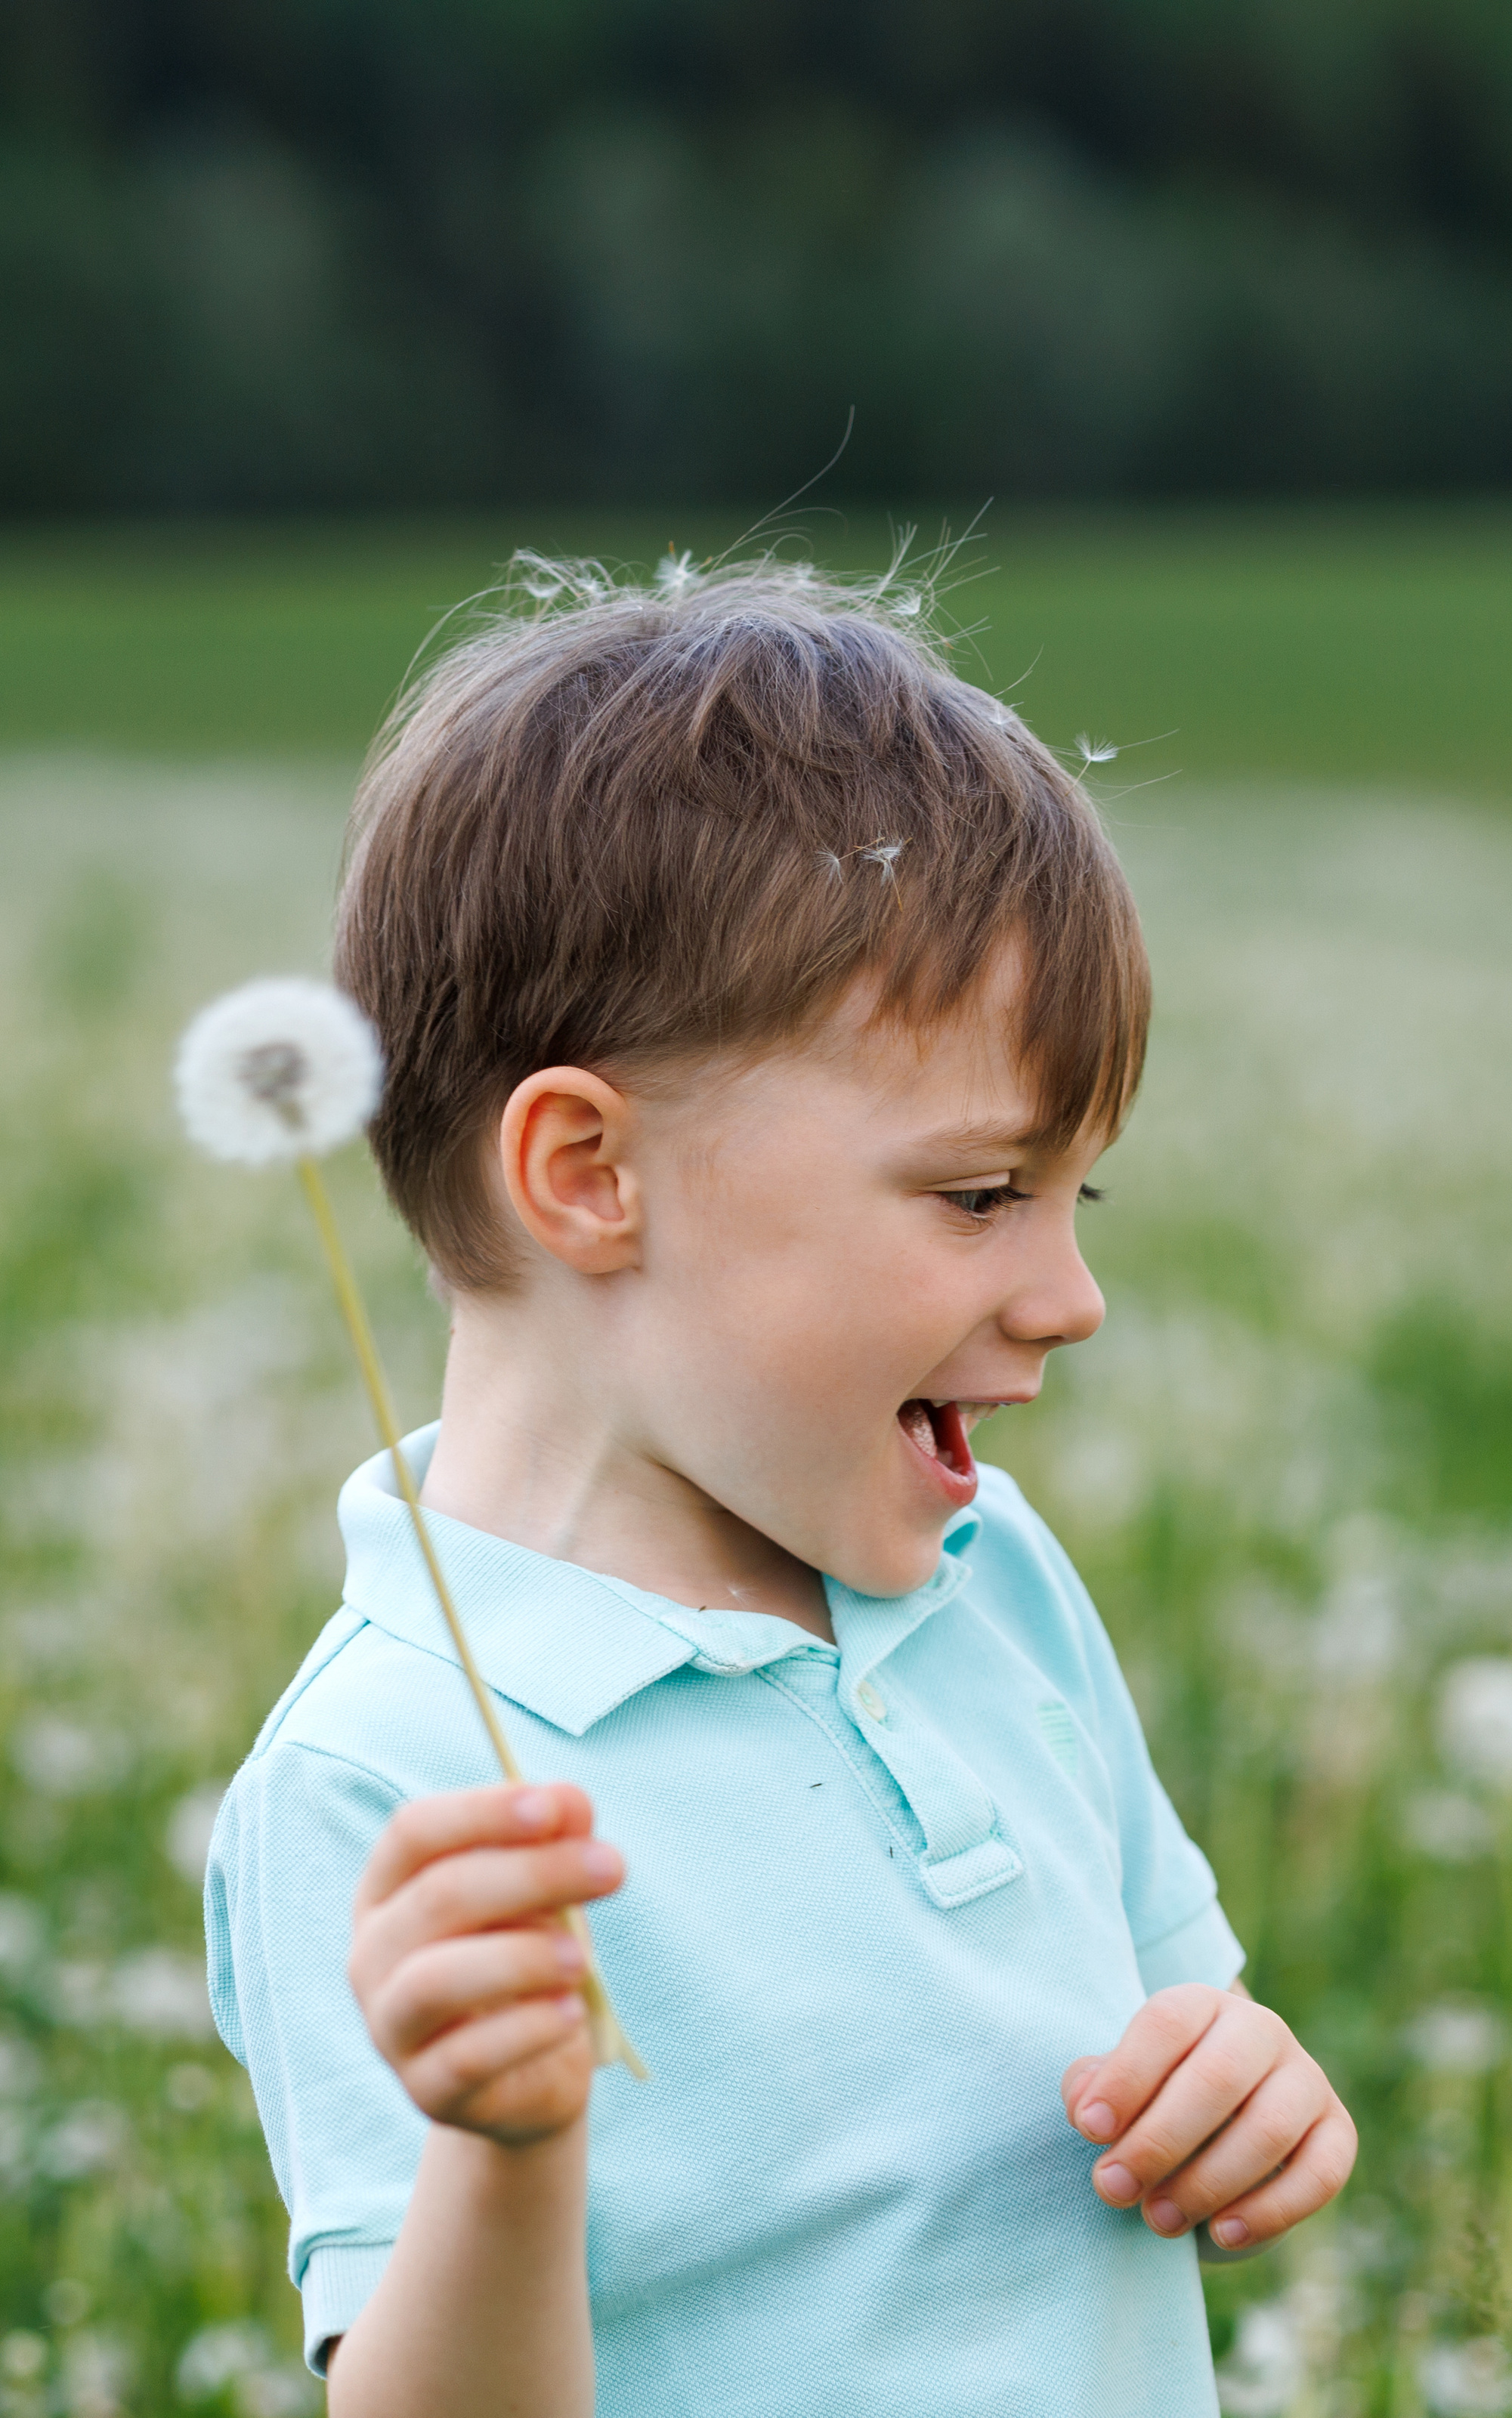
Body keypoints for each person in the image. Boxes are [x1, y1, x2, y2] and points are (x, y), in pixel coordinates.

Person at [205, 555, 1356, 2416]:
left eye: (1081, 1197)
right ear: (587, 1171)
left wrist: (1243, 2095)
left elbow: (1178, 2015)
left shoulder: (991, 1575)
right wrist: (505, 2151)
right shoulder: (392, 1778)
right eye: (982, 1195)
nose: (1070, 1297)